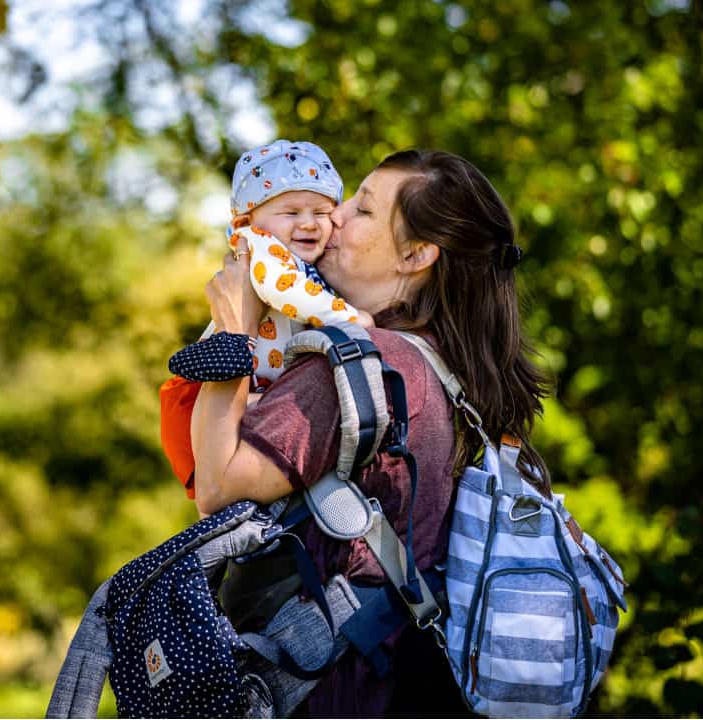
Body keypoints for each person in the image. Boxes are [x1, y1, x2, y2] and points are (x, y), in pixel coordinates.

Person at [191, 149, 552, 716]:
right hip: (412, 683)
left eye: (360, 209)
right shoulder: (457, 374)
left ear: (415, 255)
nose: (332, 219)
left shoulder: (358, 367)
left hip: (337, 691)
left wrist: (232, 335)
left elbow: (217, 487)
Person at [159, 140, 369, 497]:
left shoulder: (301, 260)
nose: (308, 223)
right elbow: (284, 289)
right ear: (246, 220)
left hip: (255, 386)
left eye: (321, 213)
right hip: (216, 390)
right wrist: (350, 318)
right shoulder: (260, 247)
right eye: (291, 213)